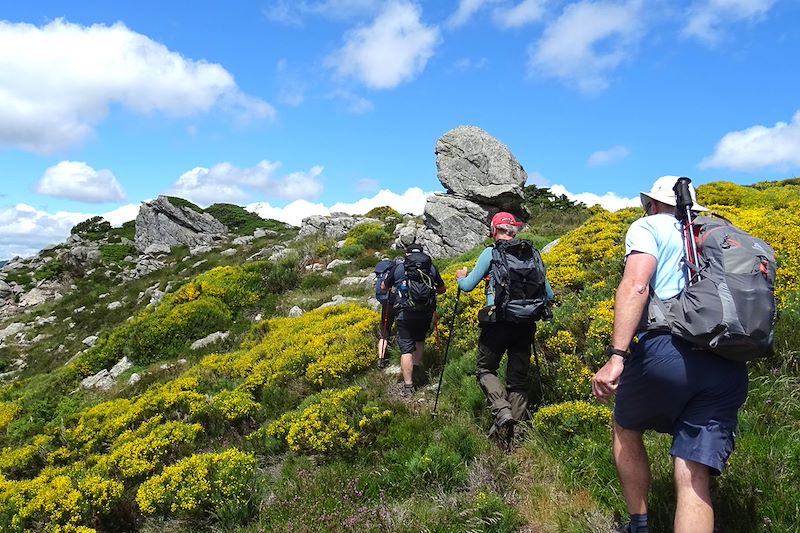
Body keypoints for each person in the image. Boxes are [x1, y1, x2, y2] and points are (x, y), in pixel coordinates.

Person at [591, 176, 749, 533]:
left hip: (669, 349)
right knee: (694, 473)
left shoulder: (649, 226)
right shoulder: (717, 232)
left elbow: (637, 284)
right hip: (728, 360)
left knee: (625, 425)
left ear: (655, 204)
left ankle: (639, 523)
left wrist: (617, 356)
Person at [455, 212, 554, 438]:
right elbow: (548, 294)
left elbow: (468, 286)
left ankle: (501, 411)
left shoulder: (491, 253)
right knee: (518, 380)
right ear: (514, 231)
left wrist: (461, 276)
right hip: (526, 323)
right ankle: (515, 435)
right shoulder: (532, 254)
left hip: (498, 321)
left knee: (485, 368)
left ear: (493, 230)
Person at [381, 243, 446, 398]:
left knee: (406, 349)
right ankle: (416, 370)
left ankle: (409, 386)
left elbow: (384, 287)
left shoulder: (398, 268)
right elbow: (442, 289)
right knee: (419, 340)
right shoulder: (431, 268)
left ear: (407, 254)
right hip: (425, 313)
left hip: (405, 313)